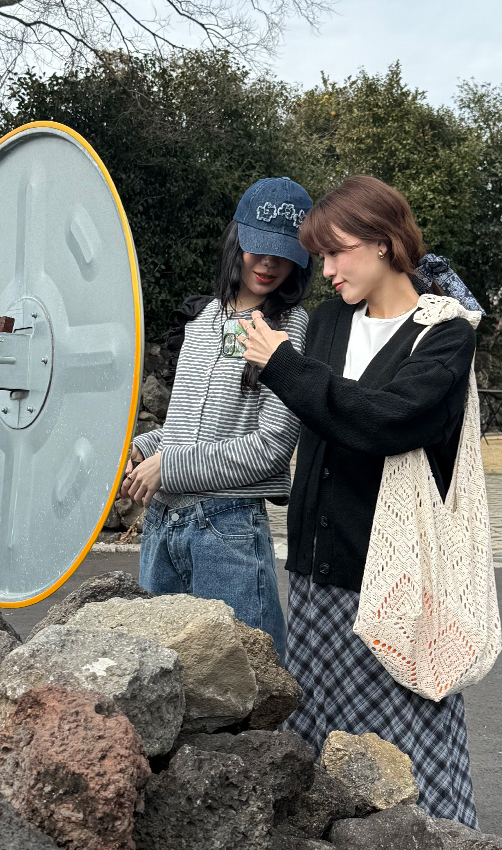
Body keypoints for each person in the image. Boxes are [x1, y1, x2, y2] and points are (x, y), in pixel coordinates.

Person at [239, 174, 482, 827]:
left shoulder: (445, 334)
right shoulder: (327, 324)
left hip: (393, 577)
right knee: (316, 746)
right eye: (321, 255)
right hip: (316, 573)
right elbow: (318, 419)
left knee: (409, 752)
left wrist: (284, 366)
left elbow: (384, 420)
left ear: (382, 242)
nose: (326, 269)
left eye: (337, 251)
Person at [121, 177, 313, 661]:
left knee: (249, 688)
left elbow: (272, 447)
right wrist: (146, 448)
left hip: (227, 530)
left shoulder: (291, 327)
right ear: (235, 240)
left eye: (283, 253)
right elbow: (186, 428)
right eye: (257, 247)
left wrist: (170, 466)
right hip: (162, 526)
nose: (268, 263)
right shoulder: (204, 318)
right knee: (157, 684)